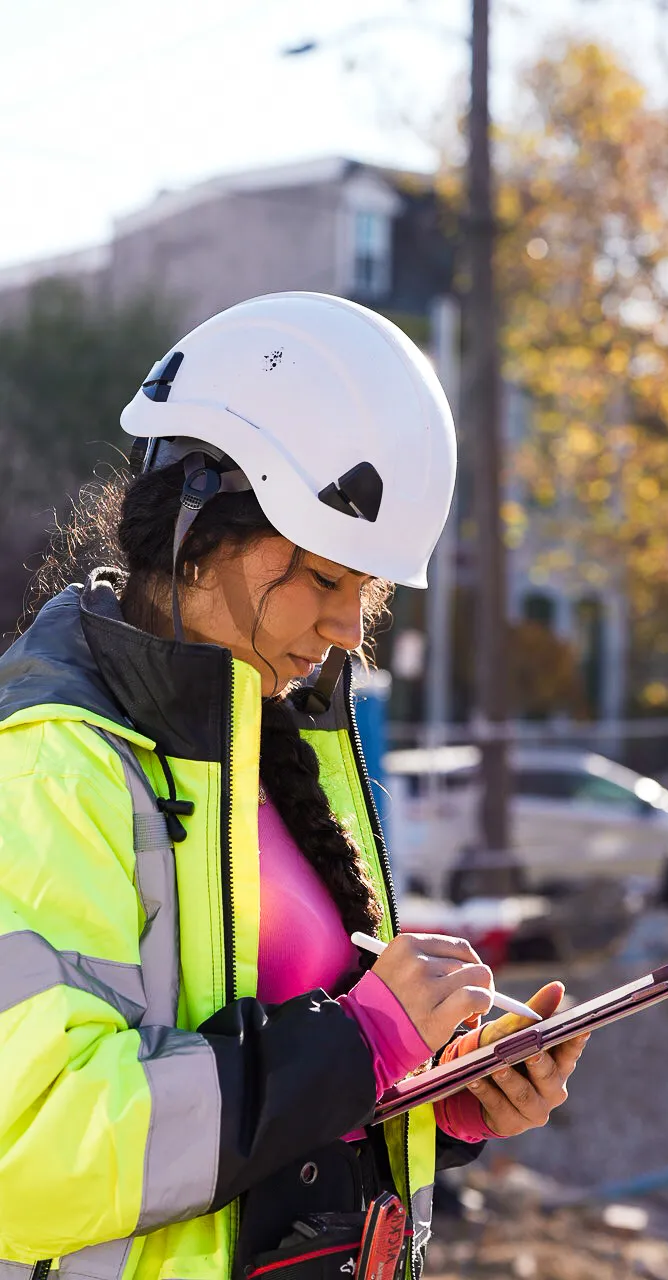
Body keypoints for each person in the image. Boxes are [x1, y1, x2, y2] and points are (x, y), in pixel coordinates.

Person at [0, 293, 588, 1280]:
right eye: (322, 577)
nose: (348, 630)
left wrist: (438, 1084)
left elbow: (288, 1124)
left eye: (369, 592)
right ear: (196, 523)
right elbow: (36, 1155)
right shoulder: (53, 771)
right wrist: (362, 1040)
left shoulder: (280, 755)